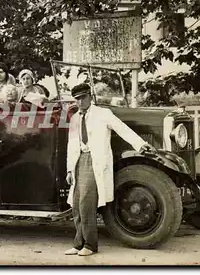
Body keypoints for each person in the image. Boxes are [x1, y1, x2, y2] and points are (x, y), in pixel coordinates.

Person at [64, 83, 156, 257]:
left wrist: (140, 144)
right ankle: (78, 244)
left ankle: (90, 245)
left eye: (83, 97)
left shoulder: (103, 114)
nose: (80, 102)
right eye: (77, 99)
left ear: (90, 96)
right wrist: (69, 170)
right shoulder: (75, 118)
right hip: (79, 161)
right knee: (76, 204)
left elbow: (123, 129)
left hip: (95, 161)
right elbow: (71, 145)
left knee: (86, 203)